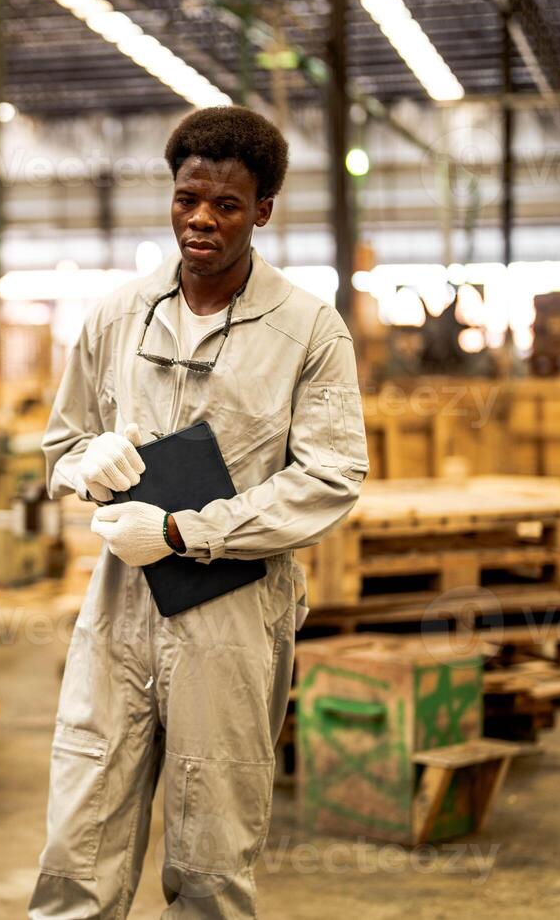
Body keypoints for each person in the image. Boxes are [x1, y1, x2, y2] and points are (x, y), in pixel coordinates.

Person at [29, 106, 369, 919]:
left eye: (225, 204)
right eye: (187, 199)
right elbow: (58, 447)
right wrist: (86, 464)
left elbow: (332, 475)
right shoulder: (117, 315)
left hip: (234, 619)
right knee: (77, 847)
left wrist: (187, 530)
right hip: (117, 614)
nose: (201, 220)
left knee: (212, 863)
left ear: (263, 210)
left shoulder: (309, 330)